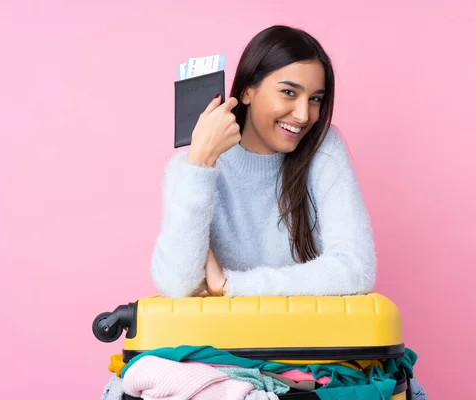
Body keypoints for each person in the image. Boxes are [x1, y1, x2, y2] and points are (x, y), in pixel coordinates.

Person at [151, 25, 377, 298]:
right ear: (247, 91)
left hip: (311, 334)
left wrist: (231, 286)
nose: (304, 115)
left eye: (315, 98)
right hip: (224, 338)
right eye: (289, 93)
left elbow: (356, 269)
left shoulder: (323, 149)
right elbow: (176, 284)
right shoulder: (190, 168)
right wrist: (201, 163)